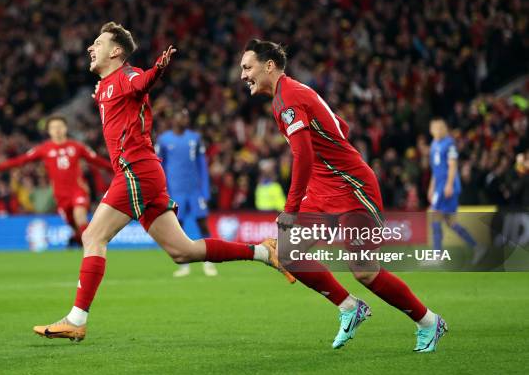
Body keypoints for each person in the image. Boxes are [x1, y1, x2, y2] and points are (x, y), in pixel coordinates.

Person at [33, 22, 295, 342]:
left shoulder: (128, 76)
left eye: (98, 43)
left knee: (92, 236)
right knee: (183, 251)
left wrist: (158, 67)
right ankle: (264, 253)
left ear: (116, 52)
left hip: (136, 171)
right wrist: (102, 92)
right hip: (145, 175)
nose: (91, 48)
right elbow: (116, 94)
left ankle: (76, 319)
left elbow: (142, 82)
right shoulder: (104, 87)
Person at [239, 38, 447, 352]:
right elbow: (341, 126)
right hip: (324, 188)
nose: (243, 75)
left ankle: (429, 322)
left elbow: (304, 156)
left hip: (353, 189)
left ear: (269, 66)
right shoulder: (292, 92)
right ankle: (350, 307)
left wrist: (291, 208)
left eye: (247, 67)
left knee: (364, 270)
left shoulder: (288, 98)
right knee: (287, 251)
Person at [0, 116, 112, 247]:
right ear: (49, 131)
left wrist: (120, 169)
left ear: (65, 128)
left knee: (80, 218)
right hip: (60, 196)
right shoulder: (44, 149)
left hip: (78, 191)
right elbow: (21, 160)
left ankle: (92, 250)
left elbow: (98, 161)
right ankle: (77, 239)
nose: (57, 130)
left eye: (60, 126)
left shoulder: (77, 147)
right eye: (53, 127)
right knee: (75, 226)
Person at [156, 108, 217, 277]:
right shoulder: (164, 140)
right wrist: (163, 191)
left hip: (194, 191)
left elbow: (202, 166)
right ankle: (184, 265)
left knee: (203, 225)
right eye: (181, 116)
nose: (184, 119)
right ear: (173, 120)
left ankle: (210, 262)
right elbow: (159, 166)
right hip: (175, 191)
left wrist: (205, 191)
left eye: (186, 116)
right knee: (178, 228)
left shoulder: (195, 139)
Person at [428, 118, 484, 264]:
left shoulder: (449, 143)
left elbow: (453, 165)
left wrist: (449, 185)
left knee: (435, 216)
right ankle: (477, 247)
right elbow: (435, 170)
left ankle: (437, 255)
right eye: (435, 128)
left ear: (444, 129)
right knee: (450, 222)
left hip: (447, 187)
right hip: (439, 187)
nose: (437, 130)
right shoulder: (434, 144)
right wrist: (431, 187)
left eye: (440, 128)